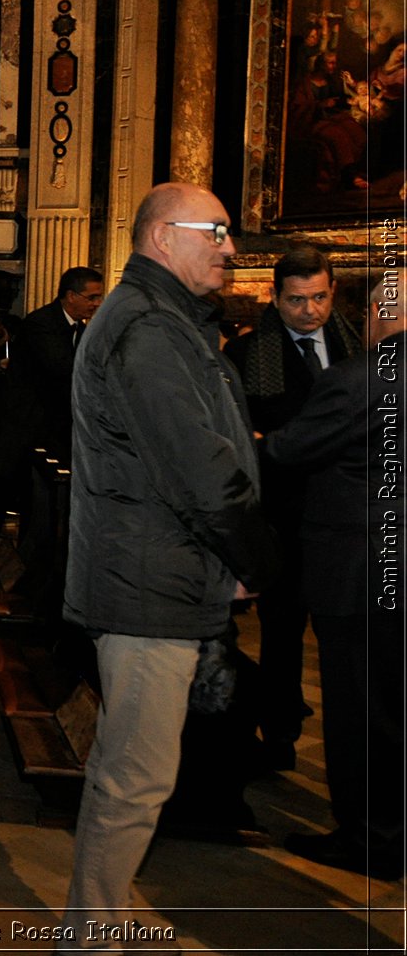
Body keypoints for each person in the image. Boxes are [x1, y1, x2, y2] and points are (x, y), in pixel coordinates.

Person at [58, 182, 278, 945]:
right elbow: (199, 468)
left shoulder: (164, 320)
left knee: (136, 770)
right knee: (134, 776)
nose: (228, 246)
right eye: (212, 231)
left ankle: (101, 917)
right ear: (161, 236)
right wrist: (252, 557)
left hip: (166, 572)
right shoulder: (145, 328)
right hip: (148, 581)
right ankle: (93, 932)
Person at [264, 276, 404, 881]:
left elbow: (290, 450)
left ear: (373, 312)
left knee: (359, 710)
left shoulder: (360, 378)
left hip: (358, 567)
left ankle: (368, 840)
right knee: (394, 706)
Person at [224, 246, 362, 771]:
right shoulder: (246, 355)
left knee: (340, 641)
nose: (311, 311)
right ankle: (278, 734)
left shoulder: (356, 350)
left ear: (333, 291)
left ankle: (344, 750)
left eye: (320, 297)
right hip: (280, 518)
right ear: (275, 298)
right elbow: (240, 440)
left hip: (342, 521)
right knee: (281, 635)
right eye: (297, 300)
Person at [0, 266, 103, 580]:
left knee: (39, 509)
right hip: (16, 432)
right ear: (71, 296)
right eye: (92, 297)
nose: (97, 303)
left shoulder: (79, 330)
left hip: (47, 436)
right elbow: (65, 372)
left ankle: (32, 577)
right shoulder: (41, 323)